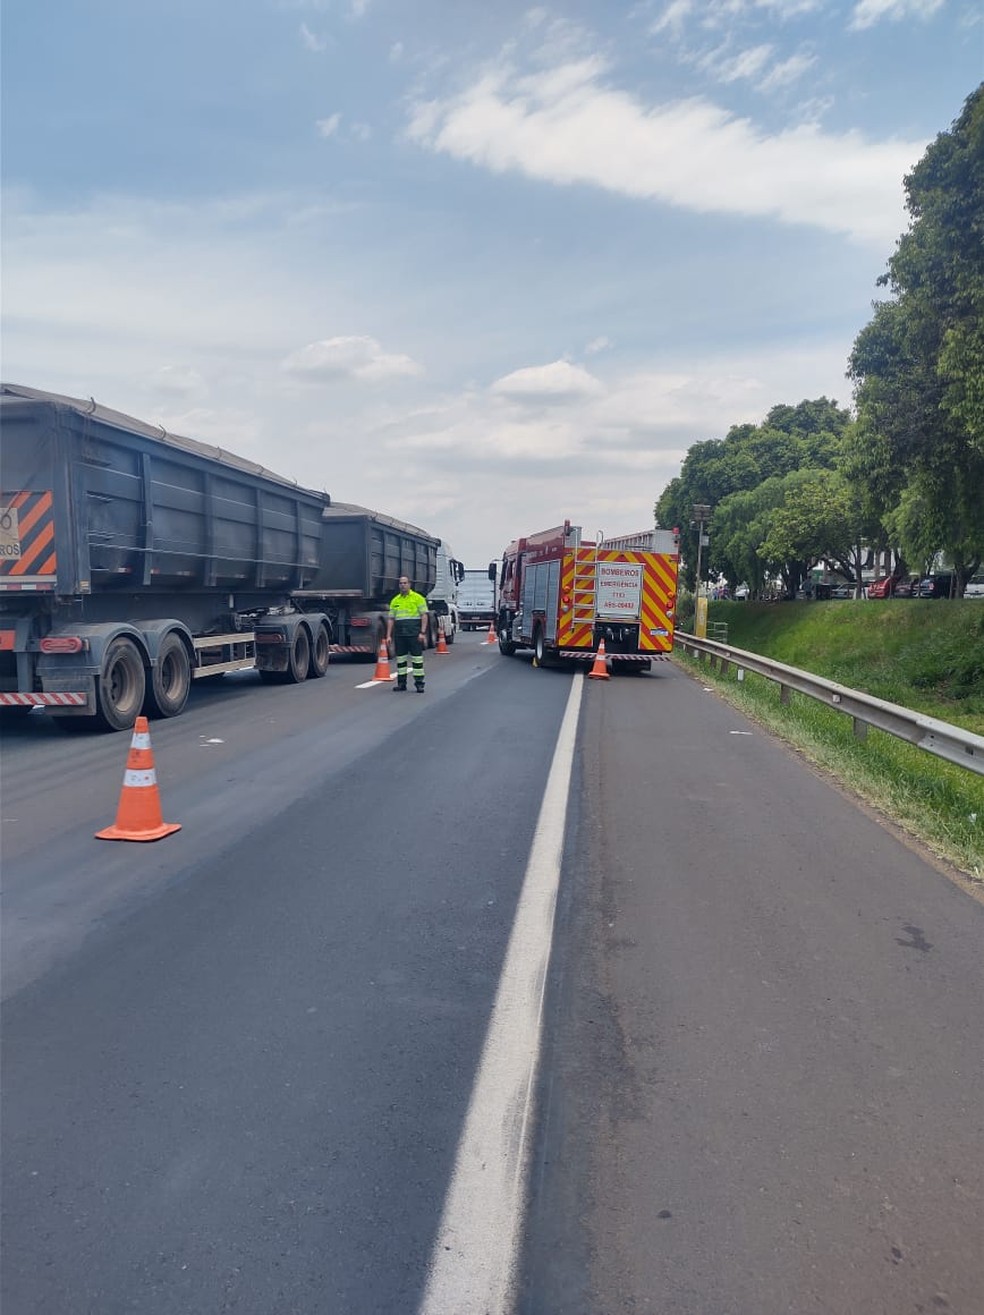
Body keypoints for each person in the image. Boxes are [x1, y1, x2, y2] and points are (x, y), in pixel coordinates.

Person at [386, 575, 429, 692]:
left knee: (417, 660)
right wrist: (388, 635)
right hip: (400, 635)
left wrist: (422, 632)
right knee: (400, 660)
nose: (403, 585)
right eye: (401, 583)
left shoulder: (418, 598)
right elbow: (391, 619)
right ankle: (401, 684)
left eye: (405, 583)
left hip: (414, 634)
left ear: (409, 584)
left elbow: (424, 615)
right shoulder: (395, 601)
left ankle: (419, 684)